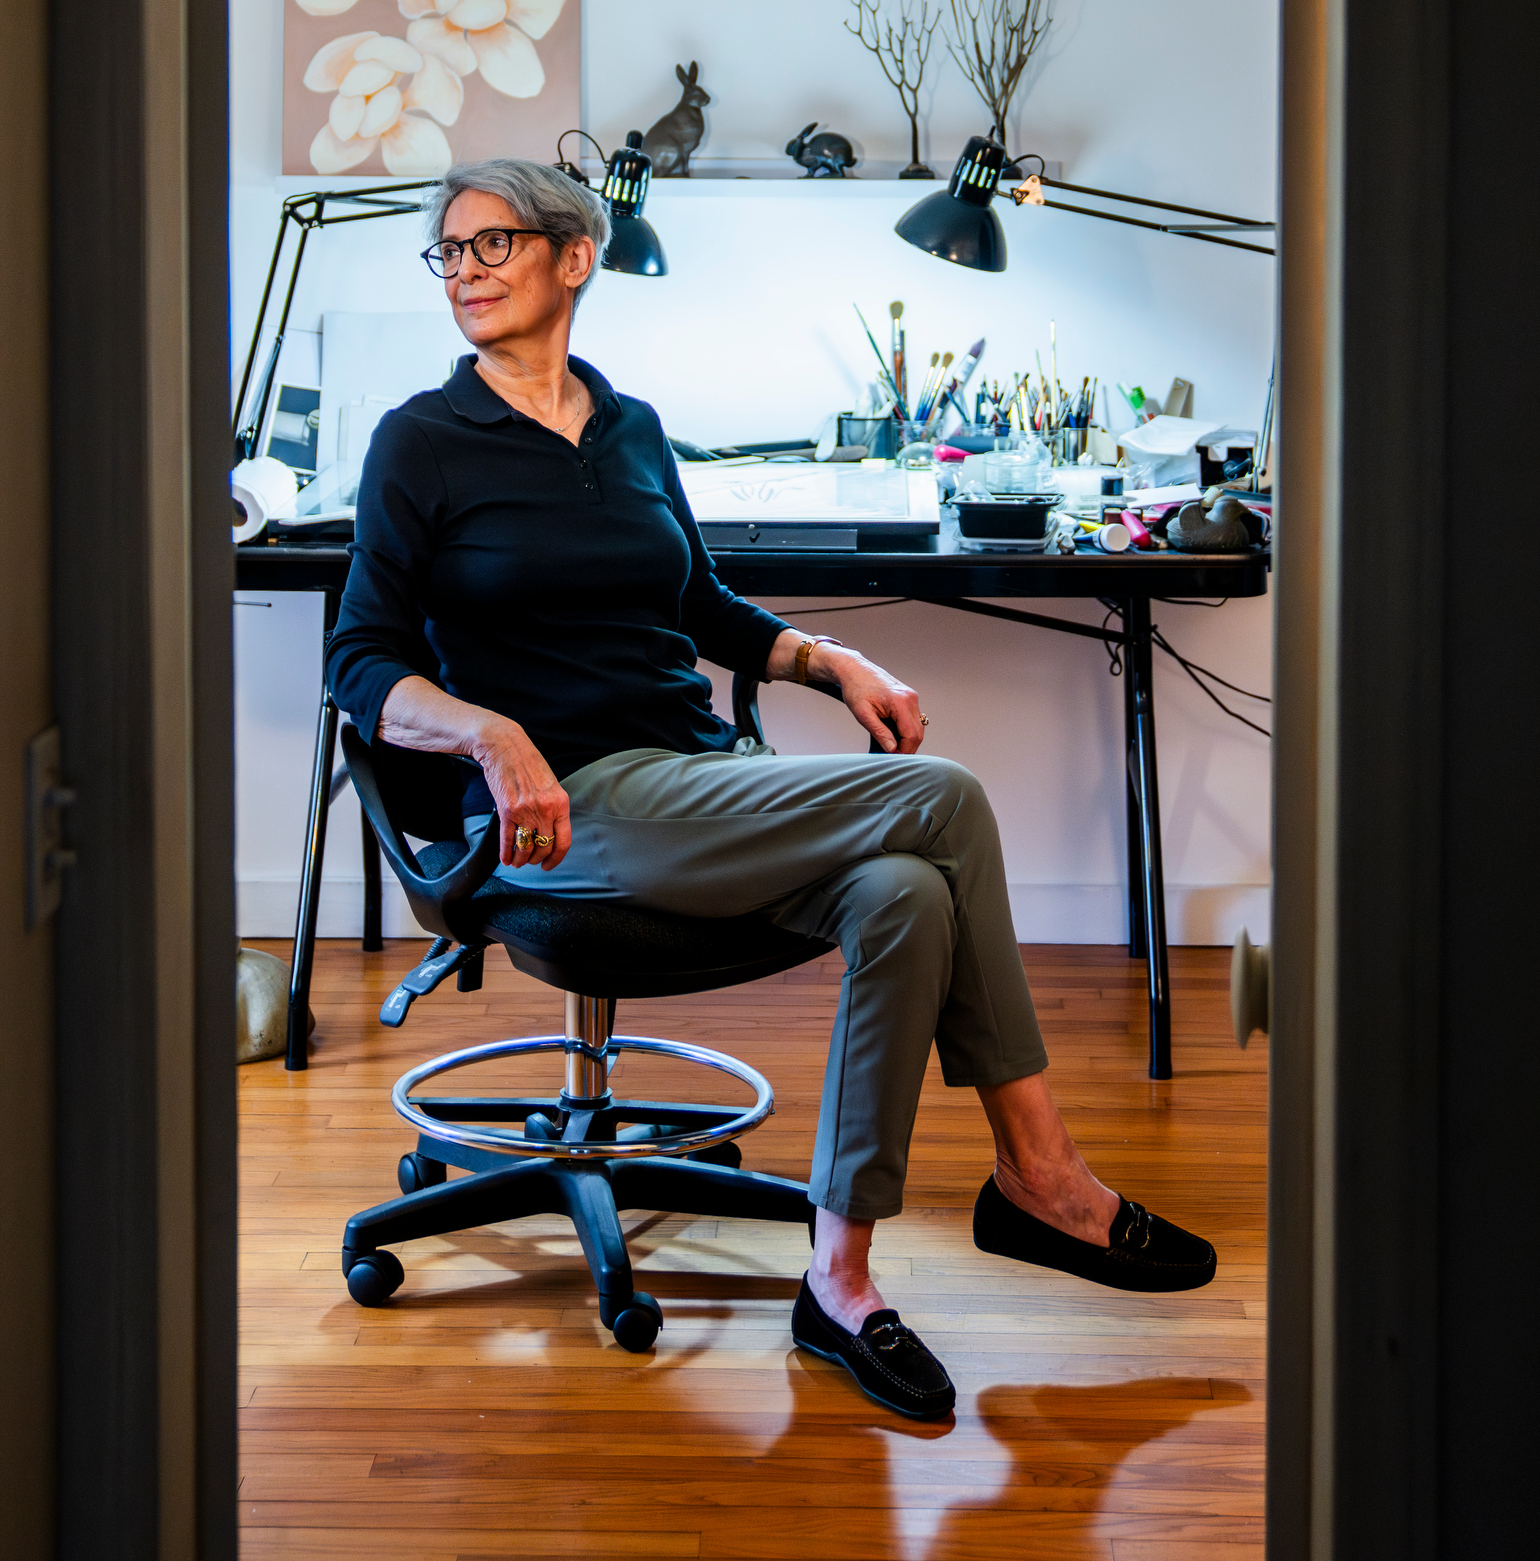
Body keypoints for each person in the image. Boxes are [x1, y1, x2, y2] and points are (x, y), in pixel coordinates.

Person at [327, 158, 1216, 1422]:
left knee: (906, 891)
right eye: (450, 253)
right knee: (944, 801)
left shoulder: (627, 427)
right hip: (560, 815)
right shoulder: (420, 440)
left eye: (493, 245)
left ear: (573, 258)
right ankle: (1043, 1177)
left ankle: (840, 1282)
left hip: (685, 783)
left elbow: (695, 604)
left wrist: (822, 655)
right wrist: (488, 735)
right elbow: (360, 664)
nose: (464, 272)